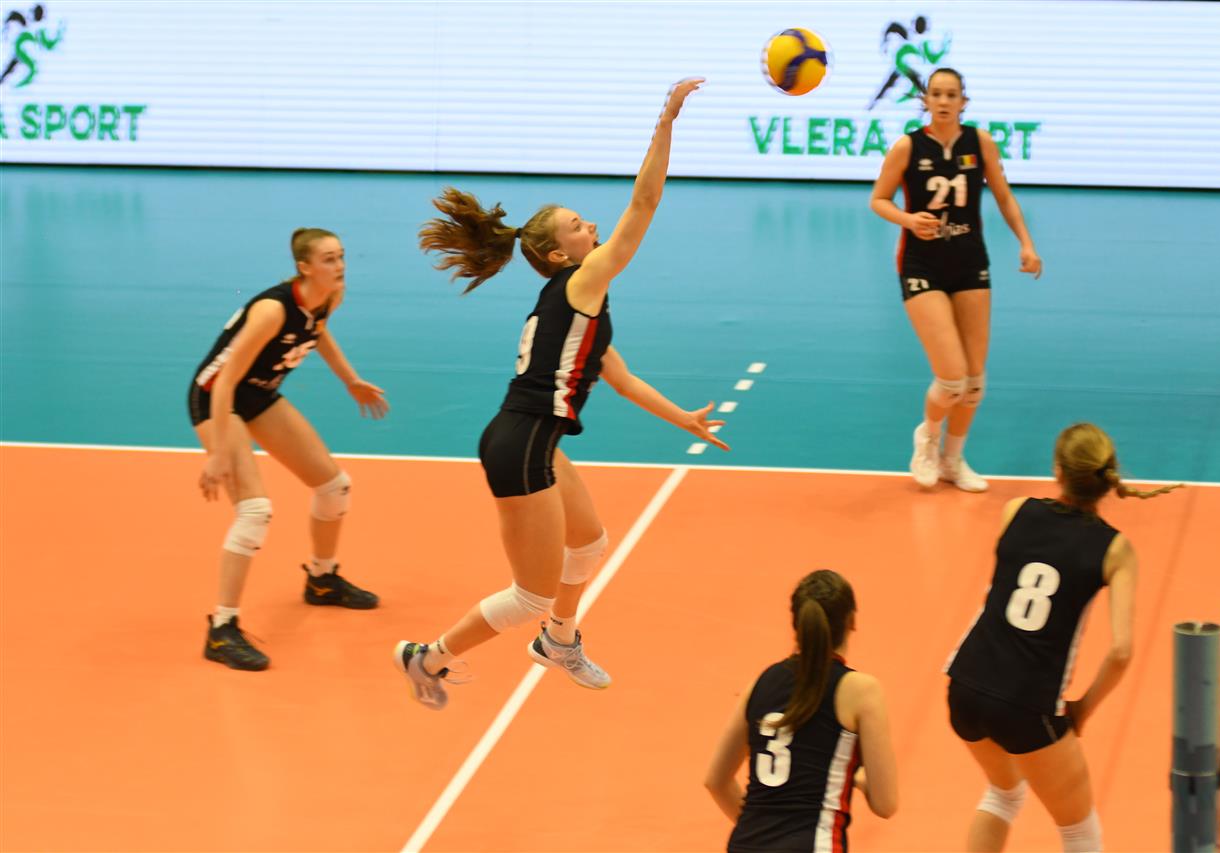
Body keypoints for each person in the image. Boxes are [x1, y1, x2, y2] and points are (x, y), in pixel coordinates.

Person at [394, 78, 726, 709]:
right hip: (521, 445)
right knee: (530, 596)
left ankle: (559, 641)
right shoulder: (581, 282)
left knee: (590, 543)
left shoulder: (579, 306)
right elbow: (645, 203)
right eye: (579, 225)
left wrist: (683, 418)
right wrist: (667, 121)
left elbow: (620, 379)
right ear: (557, 253)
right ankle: (427, 657)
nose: (592, 225)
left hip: (532, 440)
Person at [944, 423, 1181, 851]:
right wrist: (1083, 708)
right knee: (1078, 830)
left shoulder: (1015, 510)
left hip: (965, 684)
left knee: (1003, 794)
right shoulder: (1114, 549)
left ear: (1058, 471)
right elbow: (1121, 651)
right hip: (1027, 703)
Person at [191, 228, 389, 671]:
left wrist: (350, 380)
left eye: (341, 256)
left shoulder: (329, 296)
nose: (340, 266)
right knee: (254, 510)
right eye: (329, 259)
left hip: (258, 394)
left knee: (334, 487)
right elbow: (223, 381)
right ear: (304, 267)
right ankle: (221, 629)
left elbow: (317, 332)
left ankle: (321, 579)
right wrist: (219, 452)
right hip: (217, 399)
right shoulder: (272, 310)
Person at [869, 67, 1042, 493]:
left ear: (964, 102)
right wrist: (909, 220)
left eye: (952, 94)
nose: (944, 101)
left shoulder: (979, 143)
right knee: (951, 378)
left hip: (970, 263)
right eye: (937, 94)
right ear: (925, 100)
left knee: (974, 383)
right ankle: (928, 436)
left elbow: (1003, 195)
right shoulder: (907, 147)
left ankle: (953, 459)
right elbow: (879, 200)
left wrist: (1026, 243)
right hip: (921, 267)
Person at [705, 570, 898, 852]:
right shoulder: (861, 691)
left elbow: (716, 781)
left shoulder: (760, 684)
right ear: (852, 621)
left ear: (797, 625)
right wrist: (860, 777)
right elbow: (886, 804)